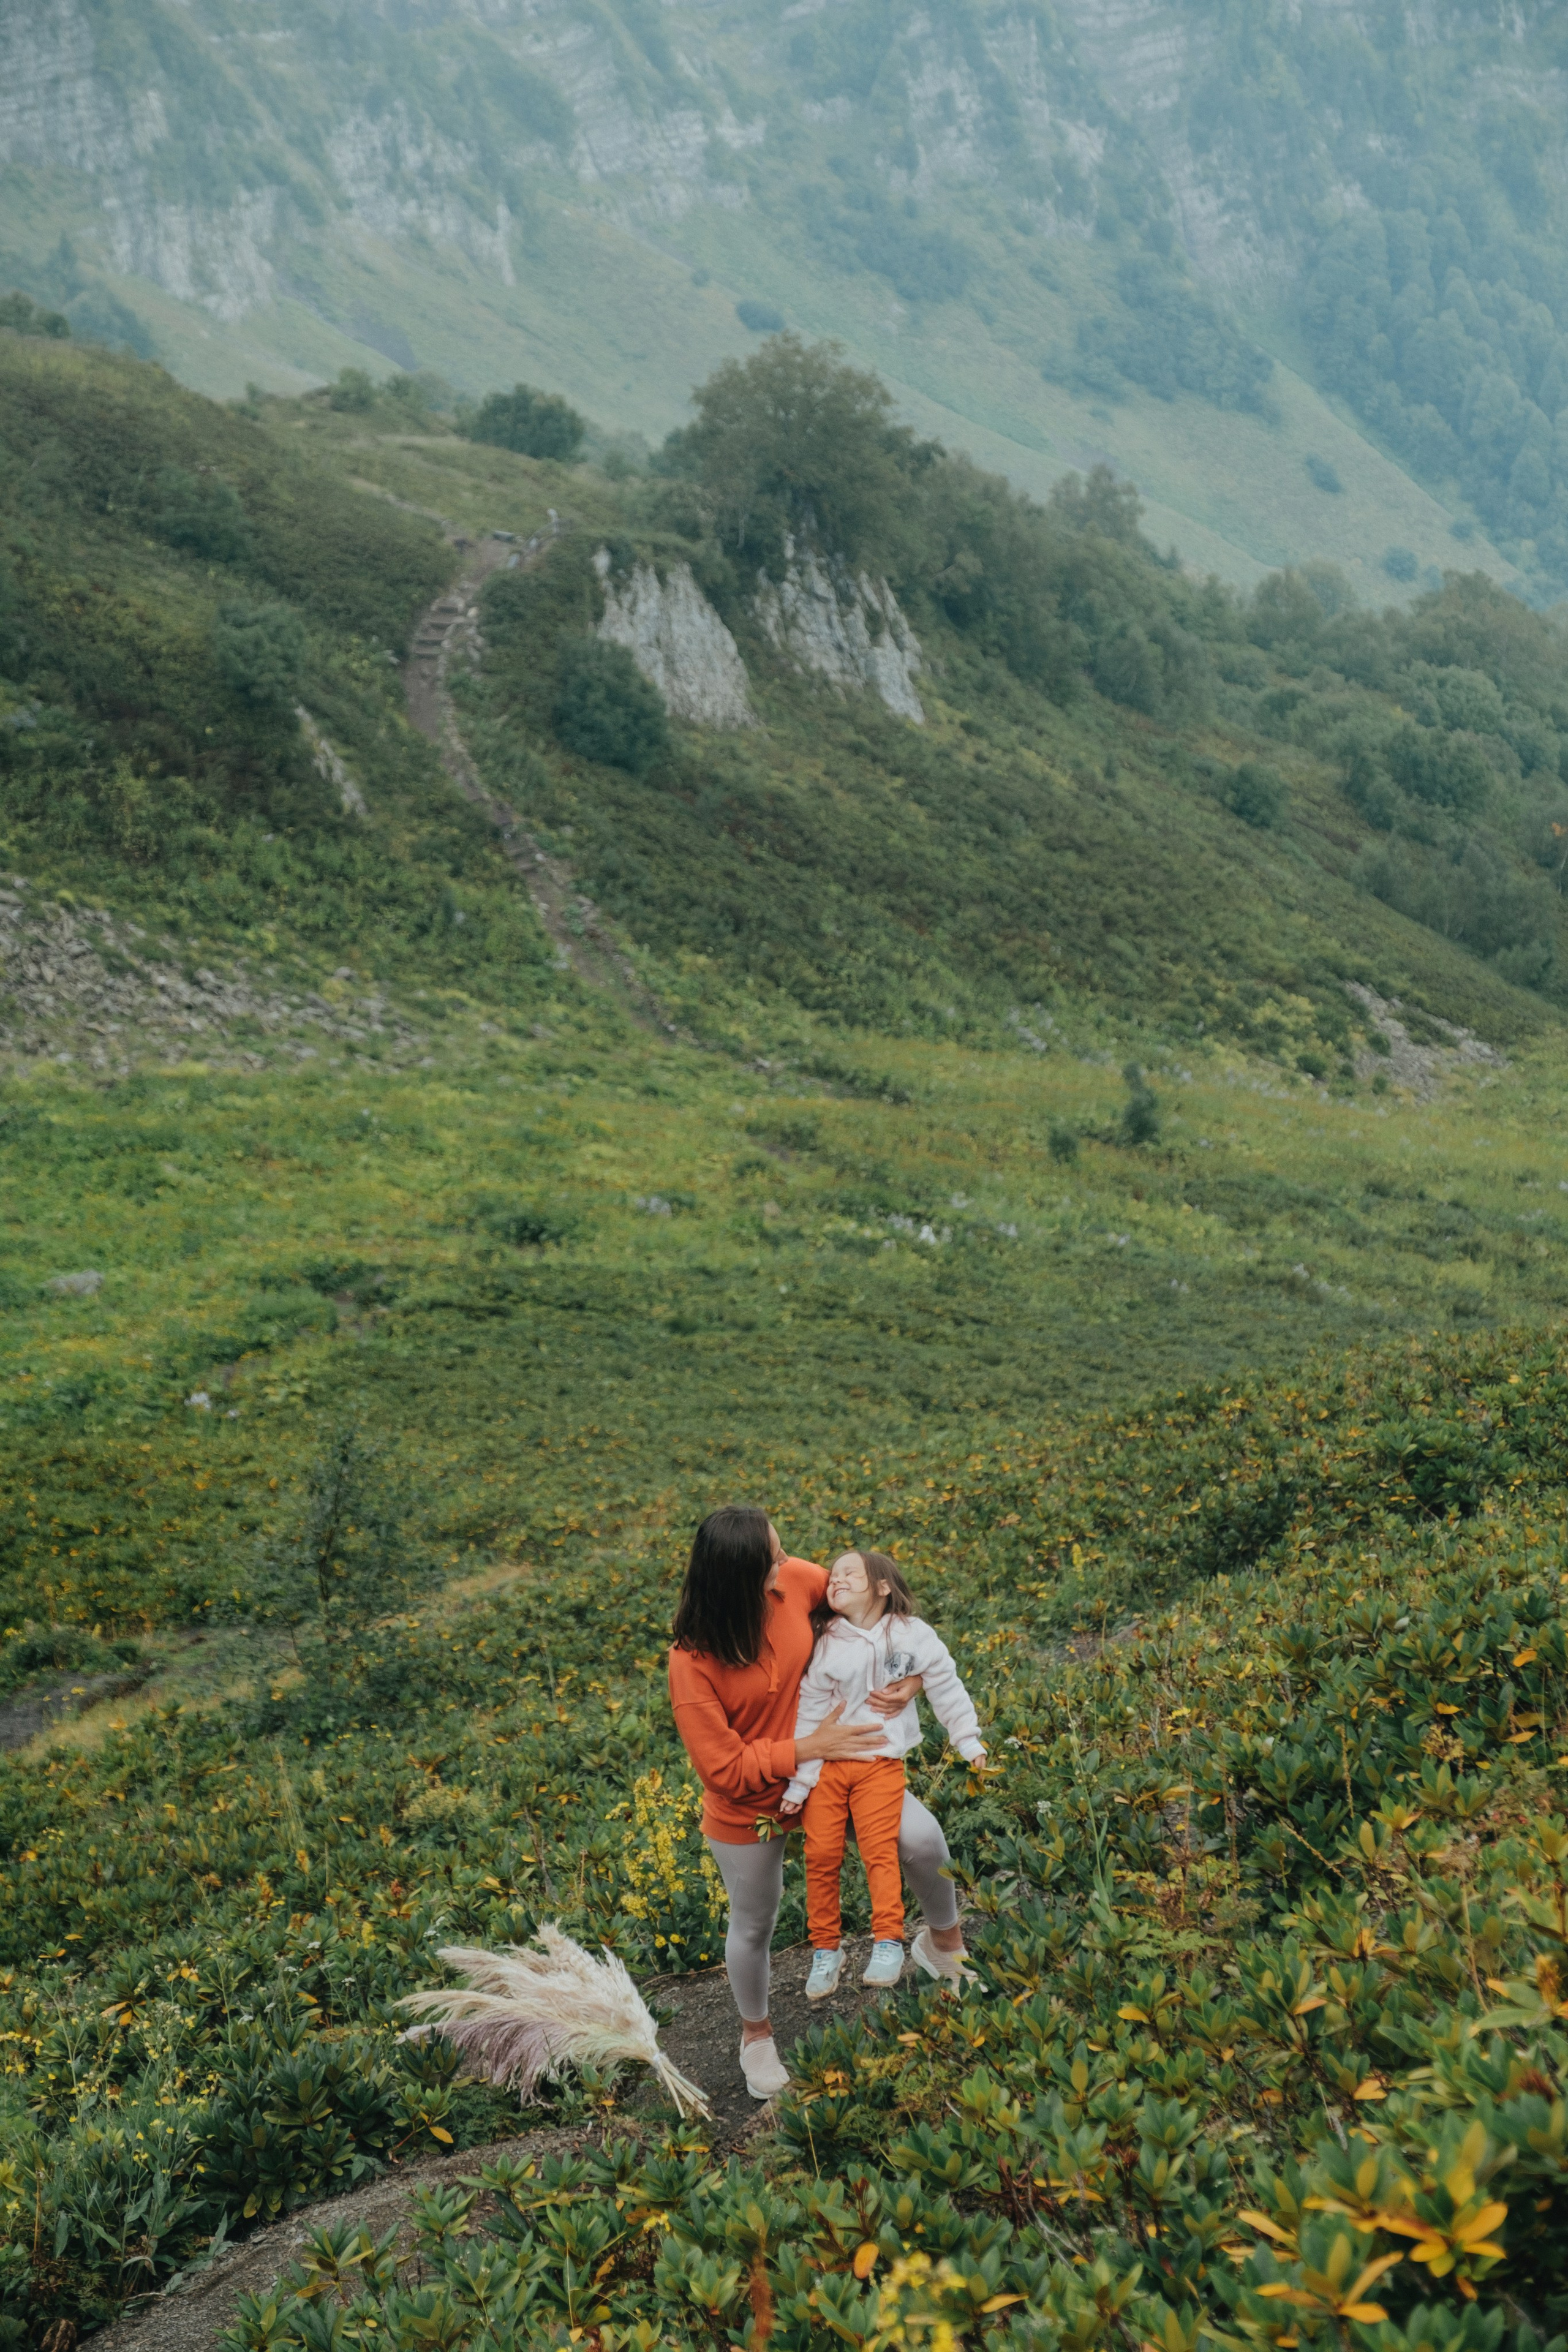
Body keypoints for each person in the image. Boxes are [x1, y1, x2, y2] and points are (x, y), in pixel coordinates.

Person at [668, 1506, 973, 2100]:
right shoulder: (691, 1661)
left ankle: (944, 1946)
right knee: (754, 1922)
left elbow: (879, 1615)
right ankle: (755, 2037)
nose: (788, 1565)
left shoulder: (796, 1582)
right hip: (749, 1805)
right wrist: (808, 1744)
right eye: (773, 1560)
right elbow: (723, 1769)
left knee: (922, 1839)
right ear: (737, 1578)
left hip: (836, 1771)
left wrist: (911, 1676)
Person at [780, 1548, 985, 2000]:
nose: (835, 1580)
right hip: (828, 1766)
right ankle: (825, 1949)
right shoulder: (829, 1640)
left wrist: (968, 1740)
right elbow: (811, 1712)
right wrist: (802, 1779)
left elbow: (945, 1682)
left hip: (879, 1763)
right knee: (821, 1856)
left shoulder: (913, 1634)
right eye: (832, 1576)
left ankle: (890, 1940)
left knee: (882, 1850)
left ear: (883, 1586)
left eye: (849, 1573)